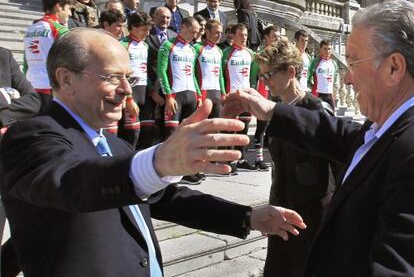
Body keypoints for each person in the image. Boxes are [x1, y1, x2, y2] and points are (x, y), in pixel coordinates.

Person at [0, 28, 306, 277]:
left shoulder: (116, 145)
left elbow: (165, 198)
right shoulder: (29, 137)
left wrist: (248, 217)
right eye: (112, 77)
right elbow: (72, 183)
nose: (126, 90)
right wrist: (160, 160)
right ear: (66, 79)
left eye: (129, 79)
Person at [222, 0, 414, 276]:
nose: (347, 79)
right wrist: (272, 112)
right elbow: (340, 134)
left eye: (353, 63)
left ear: (394, 67)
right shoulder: (382, 126)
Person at [253, 40, 338, 277]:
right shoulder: (275, 111)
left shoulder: (317, 109)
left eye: (269, 74)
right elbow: (278, 168)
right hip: (283, 210)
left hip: (314, 213)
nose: (265, 81)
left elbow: (339, 166)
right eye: (262, 76)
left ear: (291, 72)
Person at [0, 47, 41, 276]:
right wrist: (6, 96)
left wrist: (1, 115)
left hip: (5, 165)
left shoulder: (4, 56)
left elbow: (32, 100)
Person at [157, 17, 203, 184]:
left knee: (189, 134)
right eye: (192, 31)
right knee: (171, 134)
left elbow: (193, 75)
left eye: (197, 32)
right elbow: (161, 72)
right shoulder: (168, 45)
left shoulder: (192, 49)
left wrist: (198, 95)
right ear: (183, 27)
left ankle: (187, 170)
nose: (194, 35)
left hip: (191, 94)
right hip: (175, 95)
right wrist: (168, 96)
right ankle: (166, 169)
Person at [23, 0, 73, 110]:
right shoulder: (60, 30)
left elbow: (25, 62)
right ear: (58, 7)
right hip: (52, 88)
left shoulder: (31, 28)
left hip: (31, 86)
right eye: (69, 9)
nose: (70, 14)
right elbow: (70, 62)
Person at [222, 23, 259, 172]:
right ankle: (229, 159)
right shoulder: (226, 53)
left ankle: (241, 158)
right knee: (231, 129)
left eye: (245, 35)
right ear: (233, 36)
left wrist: (252, 90)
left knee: (244, 128)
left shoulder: (251, 53)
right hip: (231, 95)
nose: (244, 38)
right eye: (241, 35)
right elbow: (221, 74)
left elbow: (254, 75)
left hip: (246, 95)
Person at [118, 12, 155, 149]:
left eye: (148, 30)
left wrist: (152, 91)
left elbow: (145, 71)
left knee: (148, 131)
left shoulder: (145, 46)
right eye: (144, 30)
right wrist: (128, 99)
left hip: (144, 92)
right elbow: (120, 74)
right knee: (132, 133)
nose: (147, 33)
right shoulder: (123, 44)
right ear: (133, 27)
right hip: (131, 93)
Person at [146, 7, 176, 145]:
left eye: (168, 18)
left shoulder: (173, 35)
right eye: (162, 17)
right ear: (154, 17)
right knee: (152, 123)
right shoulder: (146, 35)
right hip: (151, 84)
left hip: (170, 84)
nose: (165, 20)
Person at [253, 25, 281, 170]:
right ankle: (259, 159)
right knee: (261, 126)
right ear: (266, 37)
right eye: (274, 36)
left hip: (277, 94)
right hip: (263, 92)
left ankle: (275, 157)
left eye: (278, 36)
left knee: (276, 126)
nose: (277, 39)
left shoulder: (280, 55)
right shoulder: (260, 54)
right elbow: (254, 75)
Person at [193, 19, 225, 119]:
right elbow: (191, 74)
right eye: (216, 33)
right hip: (203, 91)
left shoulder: (219, 51)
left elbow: (220, 75)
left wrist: (223, 93)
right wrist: (198, 94)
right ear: (207, 32)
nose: (219, 35)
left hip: (216, 92)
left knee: (217, 126)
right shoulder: (197, 48)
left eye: (221, 33)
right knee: (201, 127)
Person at [307, 39, 339, 109]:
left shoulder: (334, 63)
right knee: (317, 118)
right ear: (320, 49)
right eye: (325, 49)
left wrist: (335, 91)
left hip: (330, 95)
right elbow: (308, 78)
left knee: (331, 116)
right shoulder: (315, 62)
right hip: (317, 94)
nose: (327, 51)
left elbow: (336, 79)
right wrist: (313, 89)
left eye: (329, 49)